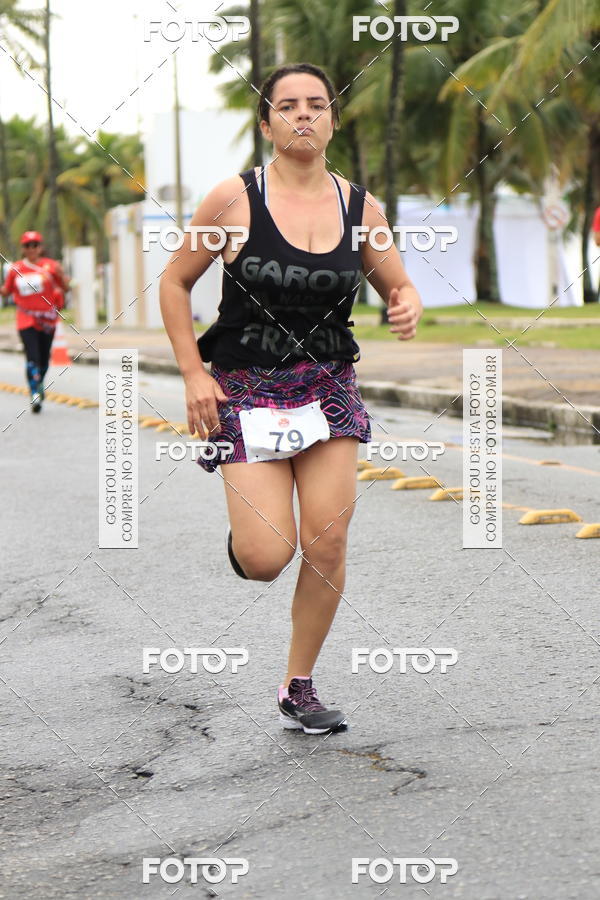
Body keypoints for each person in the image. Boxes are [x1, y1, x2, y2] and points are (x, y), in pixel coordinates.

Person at [160, 62, 422, 735]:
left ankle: (298, 686)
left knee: (328, 542)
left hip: (328, 386)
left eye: (316, 105)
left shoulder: (360, 208)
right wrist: (195, 374)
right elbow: (174, 282)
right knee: (266, 558)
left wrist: (405, 298)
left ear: (333, 118)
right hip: (244, 389)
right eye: (288, 106)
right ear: (267, 121)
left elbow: (395, 279)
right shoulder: (233, 200)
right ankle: (251, 538)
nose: (303, 115)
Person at [0, 231, 70, 412]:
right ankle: (34, 394)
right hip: (26, 319)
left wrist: (63, 278)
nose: (31, 249)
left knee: (44, 359)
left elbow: (64, 288)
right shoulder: (16, 269)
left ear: (40, 247)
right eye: (27, 246)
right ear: (23, 249)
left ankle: (39, 383)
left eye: (35, 245)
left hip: (47, 320)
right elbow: (6, 292)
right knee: (32, 357)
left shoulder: (51, 266)